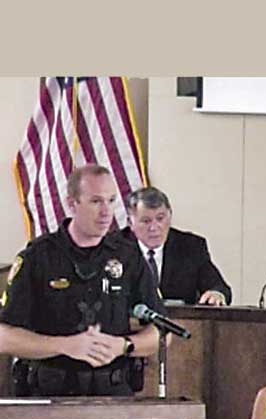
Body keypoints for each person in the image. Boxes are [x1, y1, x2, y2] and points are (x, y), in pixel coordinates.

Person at [0, 164, 161, 396]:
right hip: (50, 395)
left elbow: (159, 332)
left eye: (111, 200)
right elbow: (4, 337)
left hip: (114, 394)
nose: (107, 212)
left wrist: (123, 346)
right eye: (96, 201)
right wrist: (64, 346)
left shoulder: (127, 255)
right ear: (72, 204)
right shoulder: (39, 257)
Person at [124, 186, 232, 306]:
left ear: (170, 216)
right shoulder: (113, 248)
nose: (154, 228)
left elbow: (219, 287)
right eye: (146, 221)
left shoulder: (190, 246)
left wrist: (216, 293)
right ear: (130, 223)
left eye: (160, 218)